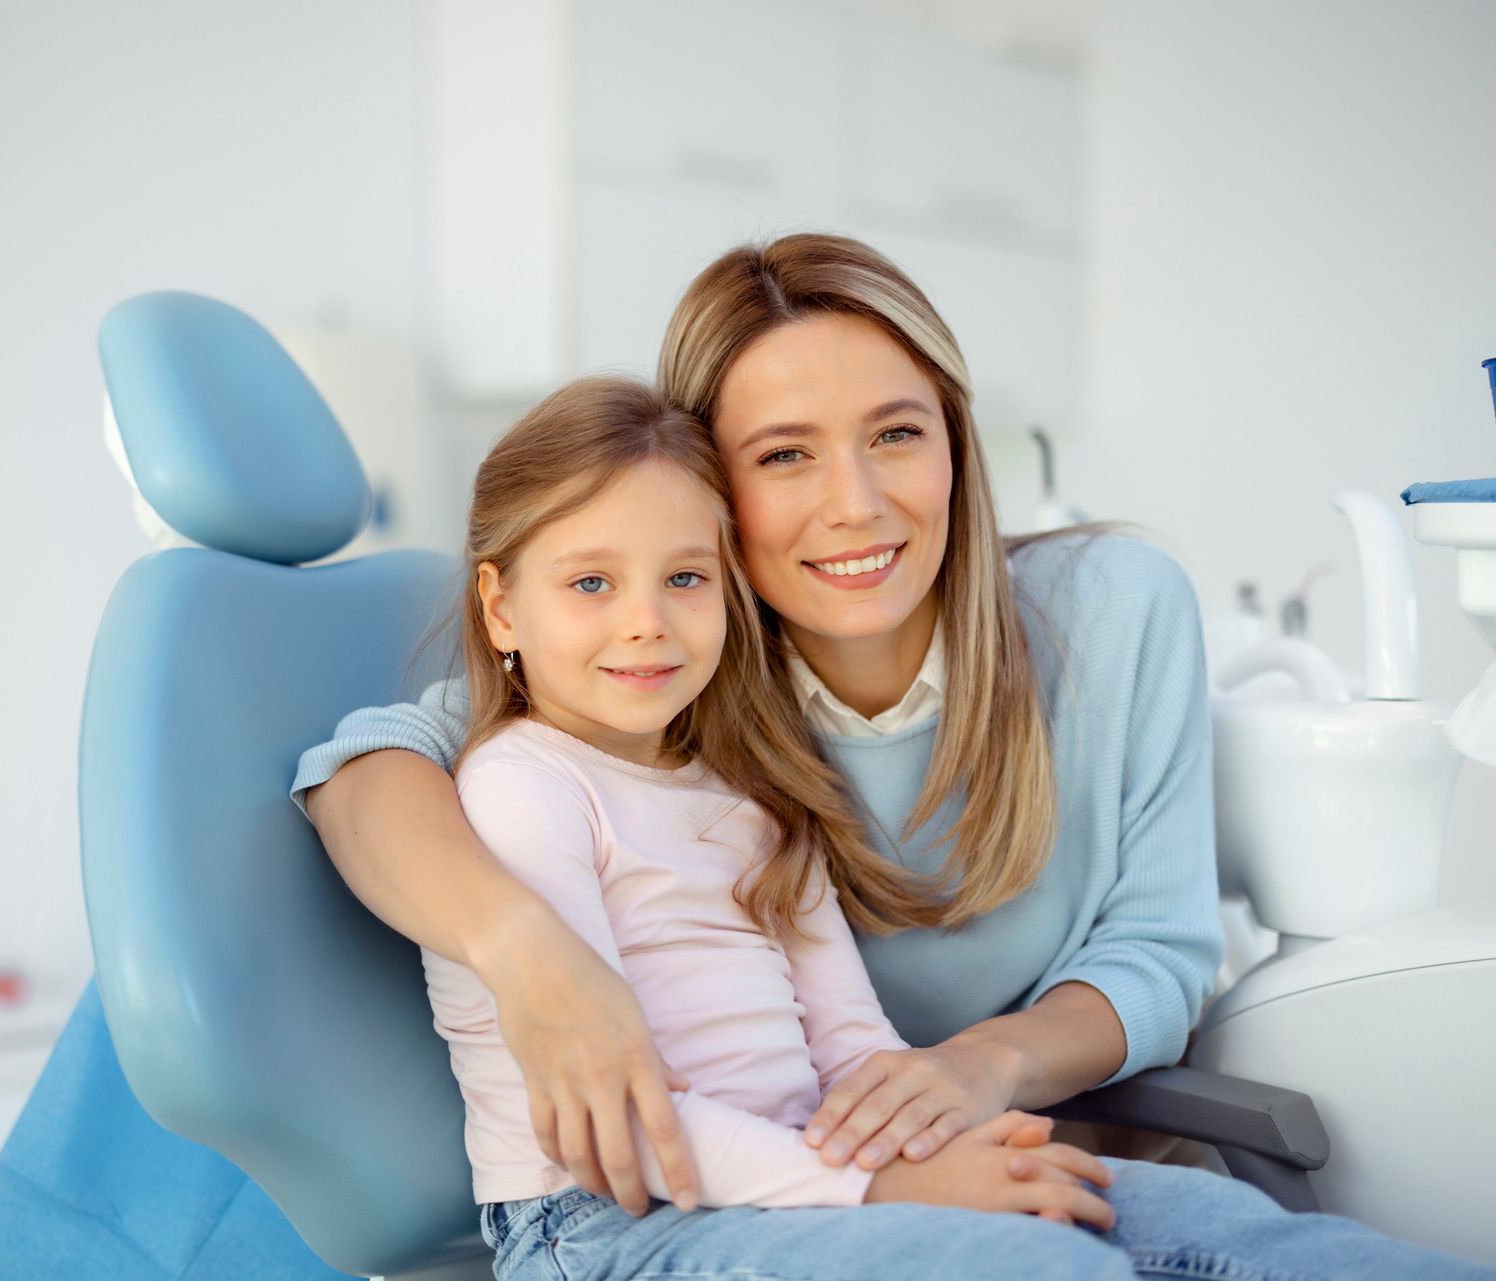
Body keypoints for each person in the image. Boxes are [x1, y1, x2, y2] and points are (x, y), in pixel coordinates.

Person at [296, 234, 1496, 1279]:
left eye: (895, 434)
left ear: (958, 445)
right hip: (715, 1198)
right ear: (716, 494)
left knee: (1281, 1245)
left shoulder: (1098, 616)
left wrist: (969, 1087)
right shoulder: (653, 684)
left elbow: (1148, 953)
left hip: (910, 1147)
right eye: (784, 455)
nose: (856, 503)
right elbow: (366, 772)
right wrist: (528, 956)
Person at [431, 373, 1130, 1279]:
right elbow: (621, 1127)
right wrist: (889, 1191)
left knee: (1182, 1221)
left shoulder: (750, 797)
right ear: (500, 608)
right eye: (592, 582)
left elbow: (853, 1045)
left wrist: (955, 1147)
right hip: (610, 1216)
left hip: (801, 1175)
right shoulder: (524, 786)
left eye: (685, 577)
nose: (646, 623)